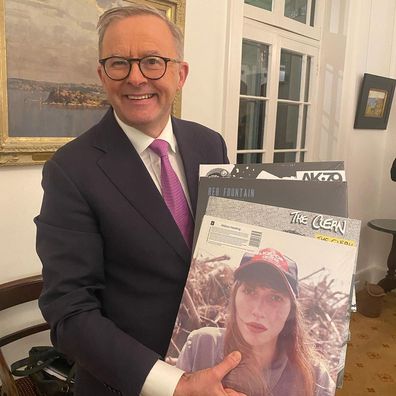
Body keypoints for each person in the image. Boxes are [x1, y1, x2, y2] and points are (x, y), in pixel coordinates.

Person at [35, 4, 245, 396]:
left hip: (218, 365)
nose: (135, 77)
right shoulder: (70, 170)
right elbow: (69, 312)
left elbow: (227, 245)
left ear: (180, 74)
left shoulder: (210, 143)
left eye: (153, 61)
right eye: (119, 63)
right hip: (130, 384)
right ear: (102, 75)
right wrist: (175, 385)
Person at [176, 248, 336, 396]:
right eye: (250, 291)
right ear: (234, 296)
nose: (258, 311)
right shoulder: (202, 346)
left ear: (291, 311)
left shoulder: (315, 377)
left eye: (275, 297)